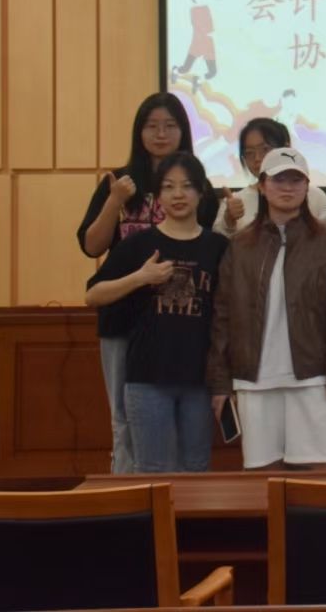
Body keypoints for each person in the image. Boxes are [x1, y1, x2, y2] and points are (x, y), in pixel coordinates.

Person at [78, 92, 216, 474]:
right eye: (151, 126)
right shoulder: (120, 182)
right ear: (139, 132)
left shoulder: (198, 186)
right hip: (123, 317)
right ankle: (128, 493)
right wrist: (114, 201)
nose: (161, 134)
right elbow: (92, 247)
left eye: (170, 125)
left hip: (178, 325)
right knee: (124, 418)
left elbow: (207, 243)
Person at [208, 147, 326, 471]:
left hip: (315, 378)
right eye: (279, 180)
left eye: (296, 180)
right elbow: (223, 316)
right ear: (262, 186)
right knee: (264, 479)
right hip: (254, 379)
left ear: (307, 187)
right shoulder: (240, 245)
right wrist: (221, 381)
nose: (288, 188)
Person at [219, 118, 326, 238]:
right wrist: (229, 220)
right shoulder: (235, 201)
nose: (257, 158)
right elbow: (219, 240)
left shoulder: (316, 197)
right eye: (250, 153)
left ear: (286, 148)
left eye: (265, 149)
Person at [173, 0, 216, 80]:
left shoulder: (206, 8)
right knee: (186, 68)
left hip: (208, 40)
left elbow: (210, 22)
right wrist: (207, 33)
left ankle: (198, 80)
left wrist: (211, 33)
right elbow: (197, 25)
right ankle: (176, 71)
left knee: (212, 71)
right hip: (198, 41)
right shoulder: (194, 10)